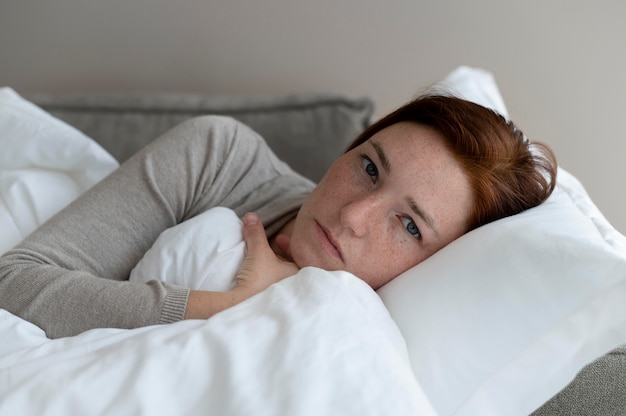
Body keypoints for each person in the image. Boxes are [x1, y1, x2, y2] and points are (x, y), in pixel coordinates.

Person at [0, 93, 557, 339]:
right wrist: (221, 309)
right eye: (369, 168)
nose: (355, 215)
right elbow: (16, 280)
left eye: (409, 225)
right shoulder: (218, 157)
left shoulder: (383, 331)